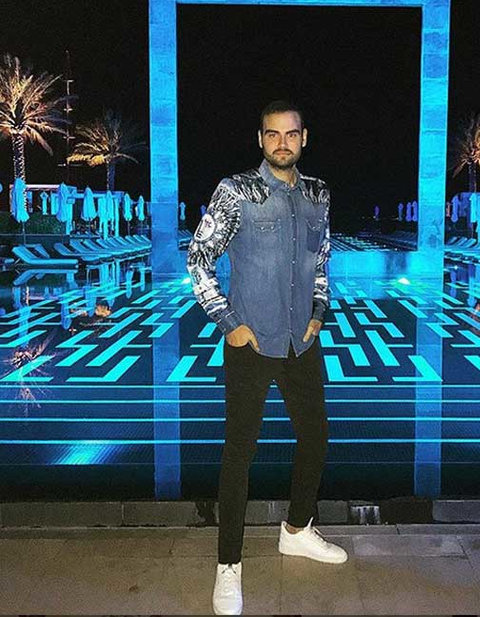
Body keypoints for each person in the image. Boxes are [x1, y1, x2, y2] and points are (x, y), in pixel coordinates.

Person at [186, 100, 348, 615]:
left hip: (302, 341)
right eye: (273, 134)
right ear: (260, 139)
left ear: (304, 138)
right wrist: (228, 323)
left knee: (316, 437)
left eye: (291, 134)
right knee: (240, 453)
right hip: (252, 342)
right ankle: (228, 565)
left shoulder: (319, 194)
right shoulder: (236, 191)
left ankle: (296, 530)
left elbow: (321, 261)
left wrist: (319, 312)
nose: (282, 143)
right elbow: (199, 258)